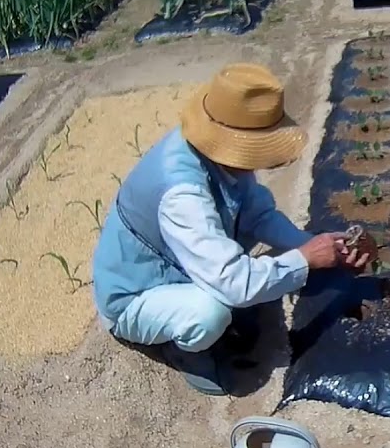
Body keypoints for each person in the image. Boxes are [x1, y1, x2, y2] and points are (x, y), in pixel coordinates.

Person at [92, 63, 369, 395]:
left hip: (178, 260)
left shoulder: (215, 155)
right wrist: (304, 260)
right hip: (135, 293)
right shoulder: (183, 194)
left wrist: (311, 245)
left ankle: (208, 310)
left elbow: (258, 213)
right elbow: (234, 285)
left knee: (252, 249)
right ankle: (186, 351)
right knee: (211, 313)